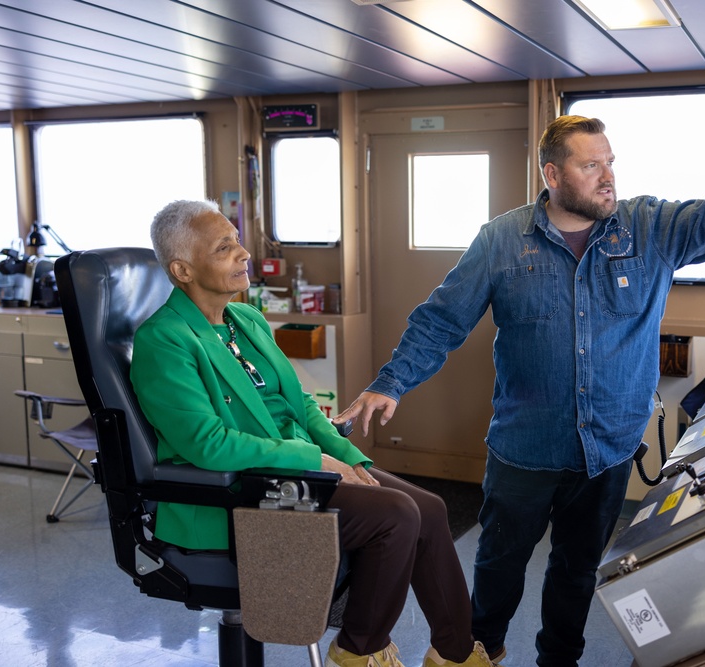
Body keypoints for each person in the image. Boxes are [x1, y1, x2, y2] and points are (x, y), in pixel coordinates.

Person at [333, 114, 705, 666]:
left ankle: (560, 661)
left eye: (611, 163)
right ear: (552, 174)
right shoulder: (501, 241)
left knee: (576, 571)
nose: (608, 177)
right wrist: (393, 381)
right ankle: (484, 652)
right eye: (591, 164)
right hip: (525, 446)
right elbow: (440, 320)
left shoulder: (649, 227)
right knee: (498, 566)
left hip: (609, 448)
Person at [130, 200, 495, 667]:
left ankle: (455, 654)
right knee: (398, 515)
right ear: (182, 269)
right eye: (225, 248)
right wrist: (315, 461)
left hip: (295, 470)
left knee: (430, 507)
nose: (243, 253)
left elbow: (301, 405)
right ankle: (359, 651)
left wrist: (353, 460)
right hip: (246, 487)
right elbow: (208, 444)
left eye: (237, 240)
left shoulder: (248, 320)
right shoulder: (164, 340)